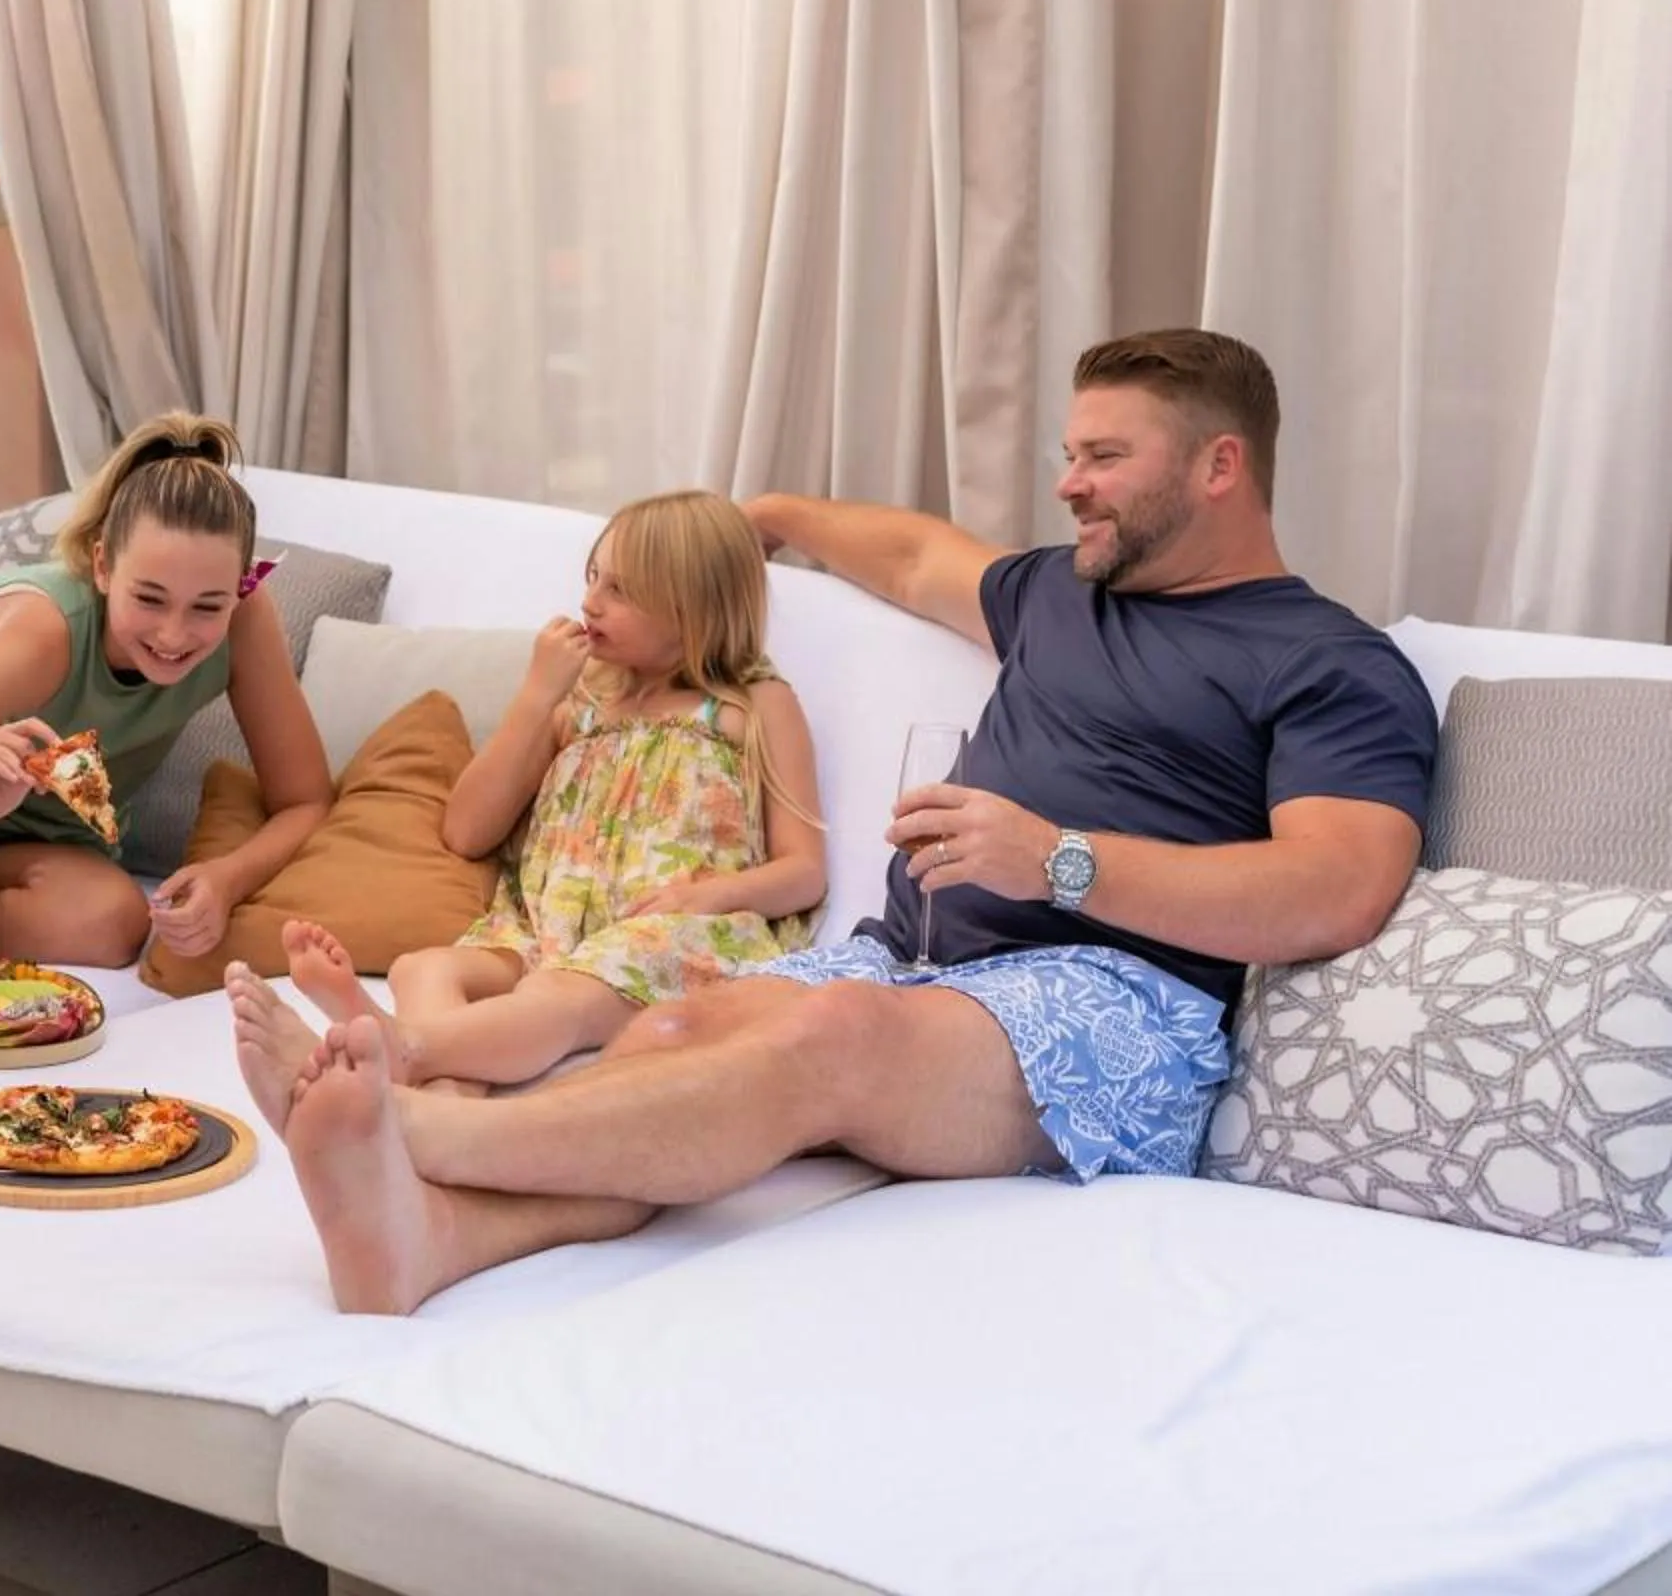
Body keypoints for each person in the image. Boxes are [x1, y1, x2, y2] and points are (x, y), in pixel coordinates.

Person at [232, 329, 1436, 1315]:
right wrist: (770, 515)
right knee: (670, 1038)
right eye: (1070, 453)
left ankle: (407, 1126)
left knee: (835, 1032)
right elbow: (915, 554)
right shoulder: (1060, 596)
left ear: (1221, 467)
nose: (1068, 483)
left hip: (1119, 1004)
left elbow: (1338, 886)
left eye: (1104, 457)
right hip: (911, 964)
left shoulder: (1326, 661)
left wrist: (1060, 861)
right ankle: (425, 1241)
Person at [277, 491, 825, 1095]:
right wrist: (537, 697)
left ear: (692, 608)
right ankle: (438, 1115)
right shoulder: (581, 704)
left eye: (621, 590)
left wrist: (709, 898)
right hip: (544, 928)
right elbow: (465, 831)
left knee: (554, 995)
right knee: (422, 966)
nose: (591, 601)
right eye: (593, 577)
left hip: (669, 936)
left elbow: (804, 871)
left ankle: (405, 1048)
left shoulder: (751, 707)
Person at [0, 413, 335, 972]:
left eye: (207, 606)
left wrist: (227, 881)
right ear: (103, 565)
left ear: (241, 585)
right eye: (150, 599)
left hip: (27, 836)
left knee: (114, 925)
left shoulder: (247, 618)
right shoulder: (42, 636)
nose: (174, 634)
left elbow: (305, 801)